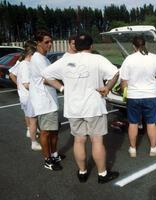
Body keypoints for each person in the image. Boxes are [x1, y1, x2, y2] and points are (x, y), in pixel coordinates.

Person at [42, 33, 119, 183]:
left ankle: (82, 172)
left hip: (74, 108)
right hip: (94, 107)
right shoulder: (97, 59)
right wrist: (107, 87)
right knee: (97, 141)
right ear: (91, 46)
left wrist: (61, 88)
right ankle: (102, 174)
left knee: (79, 140)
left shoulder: (65, 61)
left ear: (75, 46)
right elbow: (115, 72)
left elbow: (45, 74)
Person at [120, 36, 156, 158]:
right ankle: (153, 149)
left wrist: (124, 94)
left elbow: (123, 81)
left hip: (133, 96)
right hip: (150, 95)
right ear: (145, 44)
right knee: (151, 123)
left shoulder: (129, 59)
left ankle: (133, 149)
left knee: (133, 123)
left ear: (133, 46)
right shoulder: (155, 58)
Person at [29, 30, 62, 171]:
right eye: (46, 42)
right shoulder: (37, 59)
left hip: (50, 100)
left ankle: (53, 155)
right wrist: (63, 87)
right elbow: (47, 79)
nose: (50, 44)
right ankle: (47, 160)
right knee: (45, 132)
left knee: (54, 131)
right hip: (44, 102)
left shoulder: (45, 58)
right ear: (38, 42)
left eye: (51, 41)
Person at [9, 40, 38, 138]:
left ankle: (31, 129)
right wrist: (18, 84)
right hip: (26, 94)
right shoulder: (22, 62)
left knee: (28, 113)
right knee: (31, 114)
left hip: (24, 93)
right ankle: (30, 130)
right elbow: (12, 74)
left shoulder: (24, 61)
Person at [15, 46, 42, 150]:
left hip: (24, 96)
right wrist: (39, 88)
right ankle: (34, 142)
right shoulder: (26, 65)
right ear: (31, 55)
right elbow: (26, 84)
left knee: (31, 119)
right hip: (28, 97)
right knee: (33, 120)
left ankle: (31, 135)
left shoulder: (22, 64)